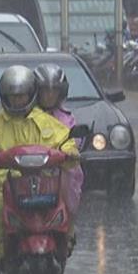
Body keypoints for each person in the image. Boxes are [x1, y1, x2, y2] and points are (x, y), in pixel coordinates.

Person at [0, 65, 79, 265]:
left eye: (22, 95)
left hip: (40, 182)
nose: (18, 100)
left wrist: (70, 152)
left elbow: (64, 139)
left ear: (31, 95)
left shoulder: (46, 122)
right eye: (13, 96)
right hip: (1, 185)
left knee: (64, 198)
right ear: (4, 97)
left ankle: (64, 242)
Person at [33, 63, 85, 214]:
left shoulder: (66, 118)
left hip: (61, 170)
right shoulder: (28, 117)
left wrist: (67, 152)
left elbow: (74, 141)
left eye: (54, 90)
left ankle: (68, 230)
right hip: (32, 170)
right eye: (45, 90)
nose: (49, 95)